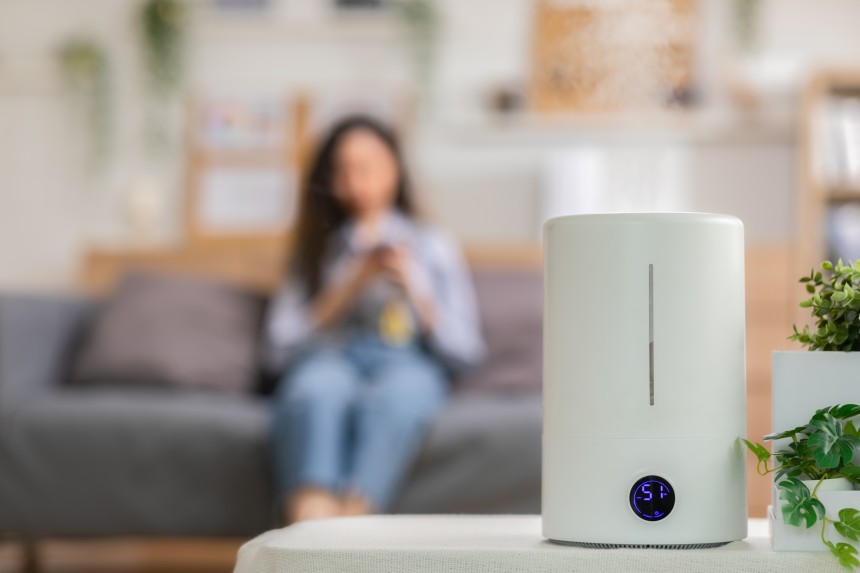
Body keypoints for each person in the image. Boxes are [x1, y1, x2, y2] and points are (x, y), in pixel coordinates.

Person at [264, 115, 486, 524]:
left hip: (405, 359)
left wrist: (414, 287)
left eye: (368, 166)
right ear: (330, 179)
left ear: (395, 170)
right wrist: (347, 286)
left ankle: (347, 524)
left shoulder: (433, 245)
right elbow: (277, 349)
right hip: (330, 356)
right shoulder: (317, 247)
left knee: (400, 397)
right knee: (315, 391)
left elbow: (467, 351)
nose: (356, 180)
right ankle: (311, 520)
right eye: (344, 170)